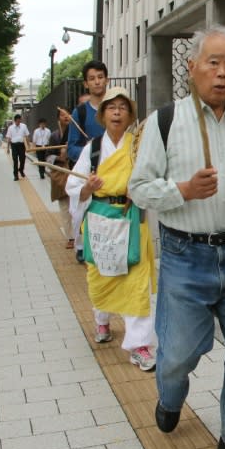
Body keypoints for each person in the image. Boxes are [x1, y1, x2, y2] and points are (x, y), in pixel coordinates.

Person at [129, 25, 225, 449]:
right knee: (176, 356)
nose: (222, 73)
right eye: (213, 62)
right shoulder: (165, 121)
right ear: (191, 67)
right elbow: (138, 188)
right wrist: (183, 191)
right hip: (183, 254)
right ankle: (171, 396)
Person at [66, 86, 157, 371]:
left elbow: (153, 178)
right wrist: (86, 189)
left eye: (123, 107)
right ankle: (102, 320)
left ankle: (140, 344)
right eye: (111, 107)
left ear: (130, 115)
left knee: (137, 280)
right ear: (103, 115)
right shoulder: (92, 149)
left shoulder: (139, 146)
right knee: (102, 273)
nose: (117, 112)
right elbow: (73, 187)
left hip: (132, 219)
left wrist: (138, 190)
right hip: (99, 219)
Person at [68, 61, 108, 263]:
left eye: (100, 77)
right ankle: (84, 247)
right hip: (91, 175)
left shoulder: (117, 107)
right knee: (85, 212)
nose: (97, 82)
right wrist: (90, 152)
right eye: (92, 78)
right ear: (86, 84)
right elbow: (71, 147)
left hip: (117, 173)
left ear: (106, 79)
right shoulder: (81, 113)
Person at [47, 108, 74, 248]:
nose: (65, 117)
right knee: (65, 207)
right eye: (62, 115)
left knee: (76, 206)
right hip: (61, 173)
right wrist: (59, 157)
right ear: (58, 118)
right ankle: (70, 237)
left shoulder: (76, 133)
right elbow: (48, 156)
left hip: (75, 172)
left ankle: (80, 235)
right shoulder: (54, 136)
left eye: (68, 115)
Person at [6, 114, 30, 181]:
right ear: (15, 120)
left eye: (20, 120)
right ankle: (16, 175)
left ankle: (21, 170)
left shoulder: (24, 126)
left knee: (23, 159)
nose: (19, 122)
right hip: (14, 146)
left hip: (22, 145)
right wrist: (8, 148)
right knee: (15, 160)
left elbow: (27, 135)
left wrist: (28, 146)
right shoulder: (10, 128)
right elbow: (9, 138)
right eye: (18, 121)